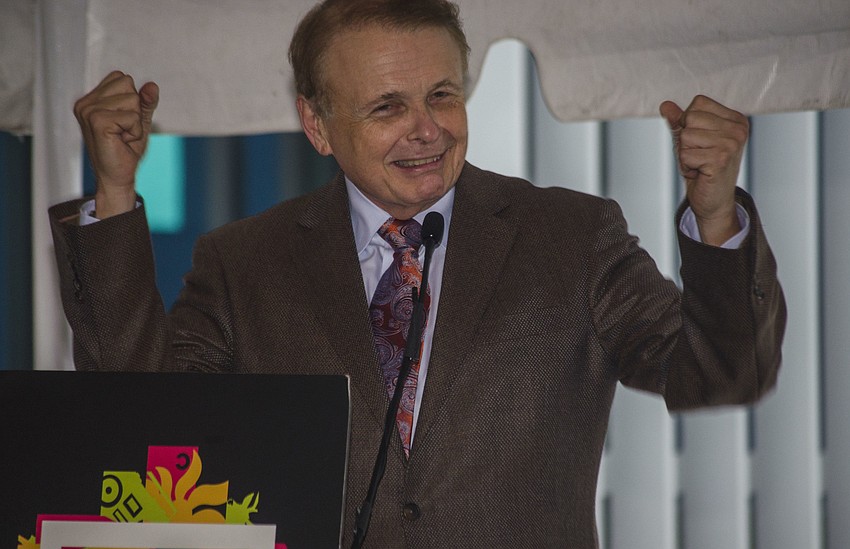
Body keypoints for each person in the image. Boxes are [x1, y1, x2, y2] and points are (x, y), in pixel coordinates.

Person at [49, 0, 786, 546]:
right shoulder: (246, 261)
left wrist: (717, 215)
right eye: (386, 107)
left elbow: (721, 374)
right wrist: (114, 191)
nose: (427, 128)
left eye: (441, 94)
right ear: (317, 124)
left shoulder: (571, 235)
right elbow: (145, 422)